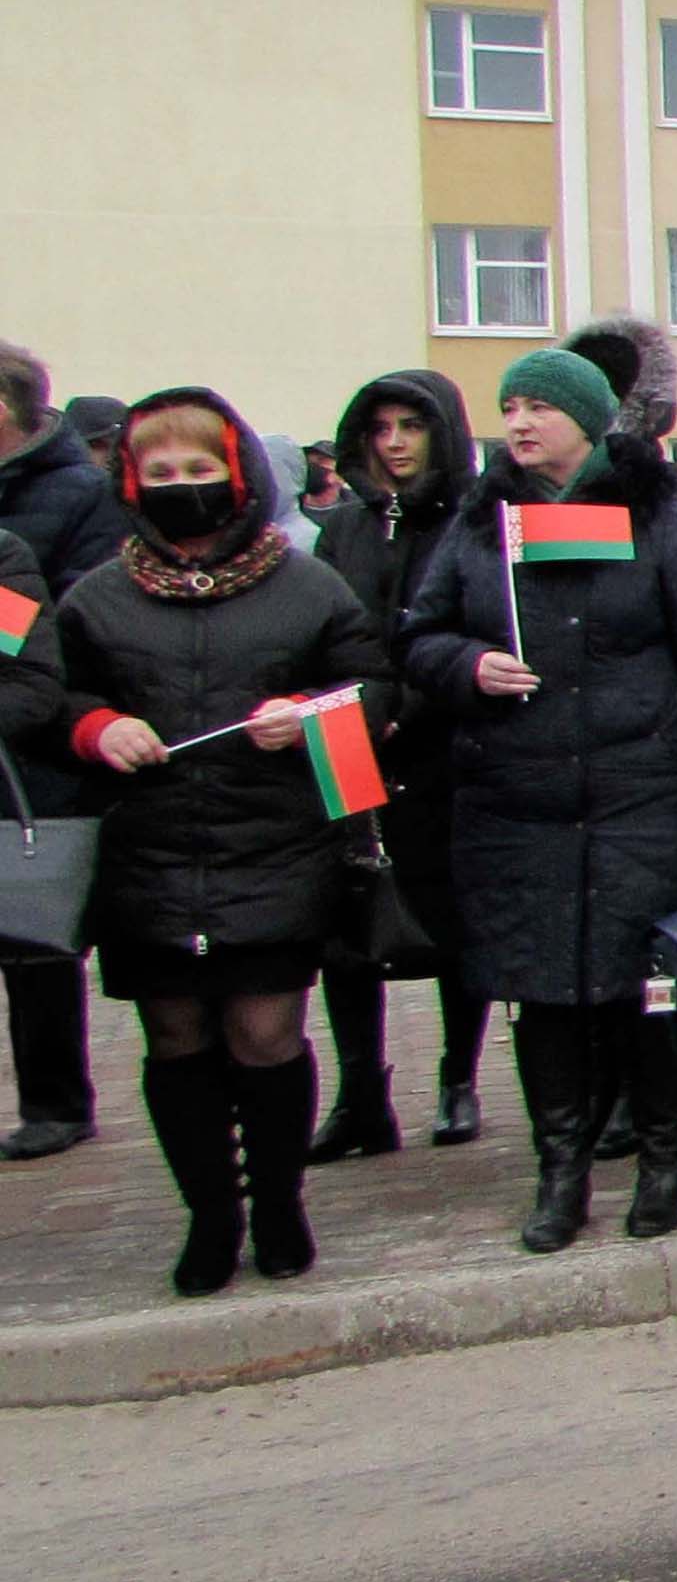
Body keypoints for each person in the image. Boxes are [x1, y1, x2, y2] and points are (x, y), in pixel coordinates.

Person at [404, 344, 677, 1252]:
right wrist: (465, 664)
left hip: (642, 791)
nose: (520, 422)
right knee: (543, 995)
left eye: (539, 407)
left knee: (646, 990)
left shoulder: (658, 512)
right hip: (516, 800)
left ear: (589, 417)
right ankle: (560, 1173)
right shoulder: (485, 516)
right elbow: (417, 632)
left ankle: (660, 1160)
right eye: (510, 406)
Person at [56, 389, 391, 1295]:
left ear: (235, 476)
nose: (182, 487)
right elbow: (60, 700)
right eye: (160, 473)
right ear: (132, 482)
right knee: (176, 1037)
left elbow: (372, 687)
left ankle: (279, 1204)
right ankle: (211, 1215)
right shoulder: (96, 594)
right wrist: (98, 730)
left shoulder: (307, 582)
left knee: (264, 1030)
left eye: (200, 470)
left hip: (274, 842)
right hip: (149, 850)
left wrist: (310, 713)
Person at [306, 368, 489, 1156]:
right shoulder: (342, 528)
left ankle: (458, 1079)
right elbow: (317, 628)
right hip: (344, 739)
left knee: (449, 914)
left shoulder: (471, 521)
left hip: (438, 739)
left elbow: (469, 624)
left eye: (410, 427)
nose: (395, 444)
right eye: (380, 430)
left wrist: (405, 709)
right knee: (346, 918)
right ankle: (360, 1094)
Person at [0, 337, 121, 1157]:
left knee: (33, 933)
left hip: (39, 743)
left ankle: (57, 1102)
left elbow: (77, 618)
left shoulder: (80, 494)